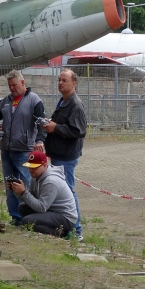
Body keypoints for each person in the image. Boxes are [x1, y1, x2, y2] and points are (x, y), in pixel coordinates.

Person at [0, 70, 46, 224]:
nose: (11, 88)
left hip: (24, 150)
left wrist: (40, 140)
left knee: (26, 185)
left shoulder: (34, 101)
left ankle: (28, 217)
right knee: (10, 185)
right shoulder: (5, 101)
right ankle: (15, 217)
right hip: (6, 150)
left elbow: (42, 124)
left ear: (23, 83)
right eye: (9, 86)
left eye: (14, 85)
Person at [42, 69, 87, 240]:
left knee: (68, 192)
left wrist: (55, 128)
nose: (60, 83)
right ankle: (66, 228)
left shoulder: (75, 104)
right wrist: (50, 125)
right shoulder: (63, 101)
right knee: (63, 191)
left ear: (74, 83)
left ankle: (76, 231)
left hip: (66, 156)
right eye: (59, 80)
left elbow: (79, 130)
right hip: (58, 154)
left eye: (65, 80)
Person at [10, 151, 78, 237]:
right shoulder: (36, 177)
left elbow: (41, 208)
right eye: (30, 167)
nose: (31, 170)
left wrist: (24, 192)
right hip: (51, 210)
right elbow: (31, 200)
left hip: (65, 217)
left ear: (45, 165)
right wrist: (18, 192)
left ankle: (61, 233)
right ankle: (47, 228)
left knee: (27, 221)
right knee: (23, 208)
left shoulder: (50, 181)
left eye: (34, 167)